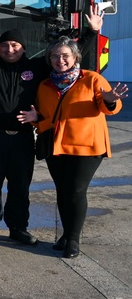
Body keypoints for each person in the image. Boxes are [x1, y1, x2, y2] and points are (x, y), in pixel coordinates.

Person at [0, 0, 103, 244]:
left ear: (23, 48)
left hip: (24, 138)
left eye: (14, 45)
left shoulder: (35, 69)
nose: (9, 49)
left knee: (19, 186)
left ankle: (18, 228)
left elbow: (68, 56)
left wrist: (92, 32)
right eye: (4, 45)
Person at [18, 37, 125, 258]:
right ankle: (66, 235)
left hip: (88, 146)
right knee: (63, 191)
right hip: (56, 147)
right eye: (55, 56)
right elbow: (44, 116)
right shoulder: (45, 85)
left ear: (75, 57)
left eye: (65, 55)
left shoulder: (92, 79)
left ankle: (73, 240)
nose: (60, 60)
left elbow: (108, 107)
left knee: (76, 190)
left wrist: (111, 100)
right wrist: (34, 117)